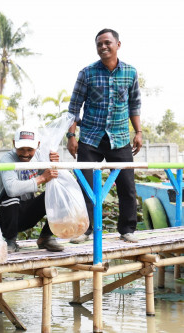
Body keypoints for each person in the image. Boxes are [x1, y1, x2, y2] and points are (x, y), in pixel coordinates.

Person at [67, 28, 142, 244]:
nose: (103, 47)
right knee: (86, 186)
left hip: (119, 138)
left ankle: (127, 230)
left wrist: (138, 132)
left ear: (118, 45)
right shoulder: (87, 73)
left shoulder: (130, 73)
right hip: (90, 138)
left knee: (127, 186)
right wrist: (71, 135)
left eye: (107, 43)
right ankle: (86, 230)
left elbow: (134, 104)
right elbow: (74, 107)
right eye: (99, 44)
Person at [0, 126, 64, 253]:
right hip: (5, 217)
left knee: (58, 194)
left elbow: (54, 177)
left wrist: (54, 164)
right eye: (21, 149)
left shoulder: (40, 156)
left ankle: (45, 237)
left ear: (38, 145)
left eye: (30, 150)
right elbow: (11, 189)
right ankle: (10, 241)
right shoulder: (7, 159)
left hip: (26, 215)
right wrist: (41, 178)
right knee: (11, 196)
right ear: (14, 144)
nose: (25, 154)